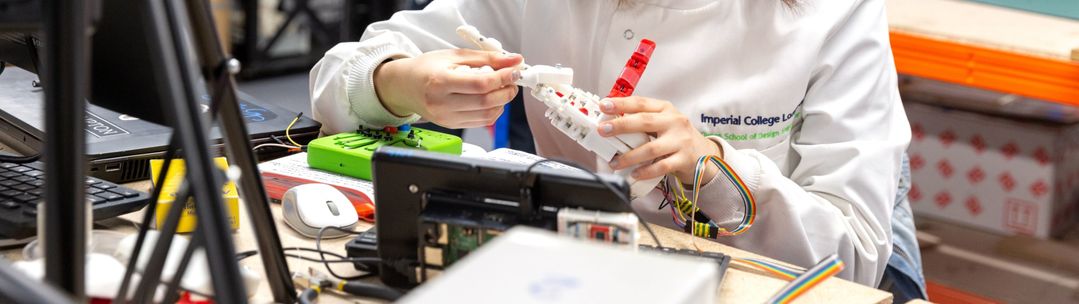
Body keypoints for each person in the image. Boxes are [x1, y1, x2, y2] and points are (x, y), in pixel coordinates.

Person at [310, 0, 923, 299]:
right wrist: (399, 81)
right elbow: (334, 81)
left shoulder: (832, 12)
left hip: (757, 276)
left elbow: (860, 261)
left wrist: (717, 169)